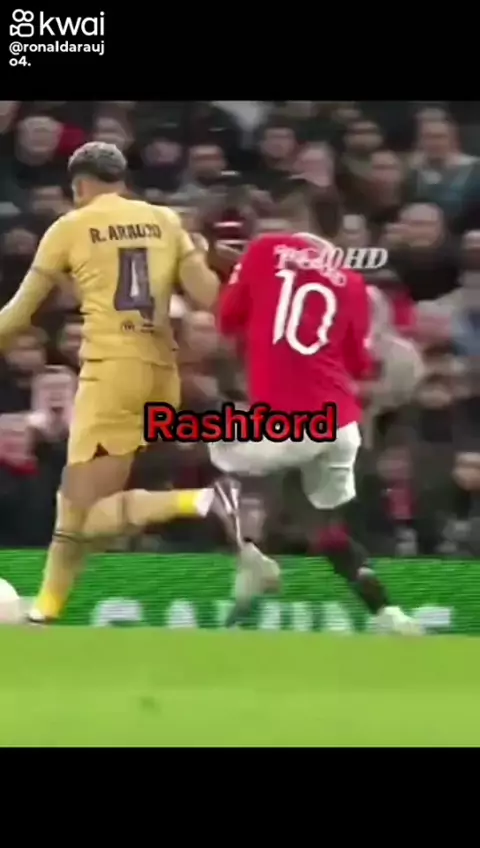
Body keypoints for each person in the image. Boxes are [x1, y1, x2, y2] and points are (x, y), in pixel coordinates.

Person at [0, 140, 237, 625]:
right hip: (161, 377)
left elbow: (18, 315)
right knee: (76, 509)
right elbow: (210, 298)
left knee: (84, 516)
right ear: (122, 181)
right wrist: (206, 256)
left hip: (113, 376)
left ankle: (203, 500)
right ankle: (45, 611)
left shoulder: (70, 226)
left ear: (79, 185)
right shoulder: (165, 221)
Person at [210, 181, 421, 634]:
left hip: (289, 419)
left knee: (208, 445)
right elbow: (358, 363)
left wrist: (236, 278)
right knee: (323, 529)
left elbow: (226, 320)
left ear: (298, 218)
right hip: (338, 422)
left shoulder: (266, 250)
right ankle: (388, 614)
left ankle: (251, 557)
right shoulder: (354, 283)